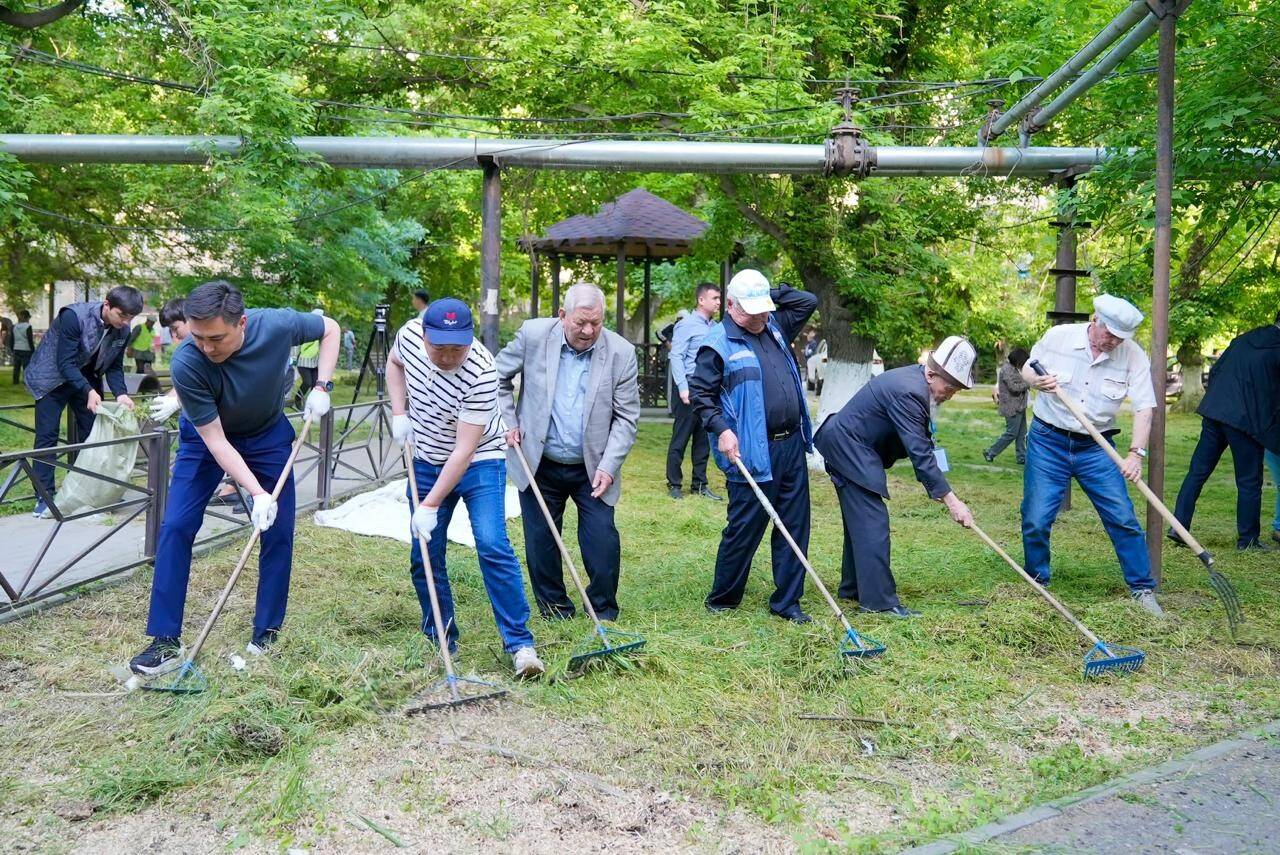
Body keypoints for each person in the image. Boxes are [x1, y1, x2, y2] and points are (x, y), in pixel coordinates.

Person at [129, 281, 339, 675]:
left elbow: (330, 329)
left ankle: (266, 632)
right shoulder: (187, 361)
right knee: (175, 526)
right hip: (205, 439)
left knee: (278, 531)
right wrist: (258, 492)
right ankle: (164, 641)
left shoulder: (276, 325)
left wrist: (322, 386)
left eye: (217, 338)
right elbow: (216, 440)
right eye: (198, 337)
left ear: (242, 322)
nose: (207, 347)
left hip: (268, 435)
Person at [386, 298, 545, 677]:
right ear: (423, 336)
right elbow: (394, 365)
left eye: (457, 348)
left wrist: (429, 505)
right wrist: (398, 412)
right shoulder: (408, 335)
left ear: (470, 339)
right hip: (424, 459)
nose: (447, 357)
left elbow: (463, 450)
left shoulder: (482, 369)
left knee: (491, 543)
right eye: (439, 348)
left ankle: (521, 645)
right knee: (424, 553)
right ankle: (440, 637)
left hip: (478, 461)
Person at [495, 284, 640, 622]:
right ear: (562, 316)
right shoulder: (533, 335)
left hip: (593, 466)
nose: (589, 331)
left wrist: (609, 465)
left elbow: (626, 418)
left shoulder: (621, 353)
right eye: (580, 323)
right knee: (541, 538)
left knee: (602, 539)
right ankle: (554, 607)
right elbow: (496, 378)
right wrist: (507, 421)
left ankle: (602, 609)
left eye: (596, 323)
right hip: (539, 461)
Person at [1021, 294, 1163, 617]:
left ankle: (1142, 589)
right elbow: (1028, 367)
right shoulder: (1059, 337)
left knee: (1122, 516)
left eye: (1120, 337)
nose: (1112, 342)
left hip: (1097, 447)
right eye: (1109, 333)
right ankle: (1037, 580)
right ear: (1095, 320)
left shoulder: (1132, 356)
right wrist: (1037, 381)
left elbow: (1145, 408)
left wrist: (1135, 454)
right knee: (1036, 516)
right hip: (1048, 440)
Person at [815, 337, 977, 617]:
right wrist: (952, 501)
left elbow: (924, 443)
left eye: (956, 390)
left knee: (861, 524)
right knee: (873, 525)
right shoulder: (909, 392)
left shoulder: (917, 384)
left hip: (852, 448)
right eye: (949, 387)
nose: (949, 394)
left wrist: (940, 486)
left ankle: (853, 588)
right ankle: (880, 603)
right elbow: (920, 454)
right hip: (849, 449)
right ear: (930, 373)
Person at [689, 269, 817, 623]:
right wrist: (722, 429)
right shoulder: (717, 344)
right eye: (752, 310)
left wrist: (763, 292)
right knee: (745, 527)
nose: (761, 316)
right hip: (750, 450)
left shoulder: (774, 326)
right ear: (730, 305)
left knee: (794, 525)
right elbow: (702, 395)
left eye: (764, 309)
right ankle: (724, 599)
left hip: (791, 444)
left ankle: (787, 602)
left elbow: (809, 301)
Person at [24, 286, 142, 518]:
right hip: (51, 378)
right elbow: (64, 362)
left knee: (94, 433)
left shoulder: (123, 329)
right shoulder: (73, 316)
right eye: (122, 315)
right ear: (107, 305)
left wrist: (121, 394)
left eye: (131, 317)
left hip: (86, 377)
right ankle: (44, 497)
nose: (126, 322)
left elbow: (115, 366)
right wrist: (88, 390)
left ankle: (90, 491)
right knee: (47, 437)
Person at [1171, 315, 1280, 551]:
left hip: (1216, 411)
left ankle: (1178, 527)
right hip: (1246, 421)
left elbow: (1217, 370)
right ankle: (1248, 540)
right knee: (1250, 481)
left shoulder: (1244, 339)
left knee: (1197, 472)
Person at [149, 297, 246, 515]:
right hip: (196, 426)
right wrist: (174, 397)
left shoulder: (217, 347)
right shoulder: (190, 352)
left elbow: (210, 385)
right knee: (182, 507)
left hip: (219, 424)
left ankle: (244, 491)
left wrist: (177, 400)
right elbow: (188, 381)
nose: (175, 338)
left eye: (176, 329)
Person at [666, 283, 722, 501]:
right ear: (701, 300)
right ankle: (674, 484)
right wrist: (683, 387)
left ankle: (699, 484)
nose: (718, 302)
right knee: (680, 438)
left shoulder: (715, 327)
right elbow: (676, 356)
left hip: (709, 391)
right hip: (690, 388)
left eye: (719, 298)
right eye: (714, 298)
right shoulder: (686, 324)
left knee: (704, 439)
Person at [984, 347, 1031, 464]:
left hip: (1019, 406)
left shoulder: (1013, 368)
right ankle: (990, 452)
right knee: (1011, 433)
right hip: (1012, 407)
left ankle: (1021, 457)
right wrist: (1028, 383)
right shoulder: (1007, 370)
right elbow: (1014, 388)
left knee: (1022, 433)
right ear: (1018, 360)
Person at [293, 309, 324, 409]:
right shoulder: (306, 329)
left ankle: (311, 406)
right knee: (307, 383)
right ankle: (297, 400)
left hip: (315, 362)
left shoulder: (323, 330)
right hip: (304, 362)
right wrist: (293, 358)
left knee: (315, 385)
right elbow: (297, 346)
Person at [11, 310, 34, 384]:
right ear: (27, 317)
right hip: (26, 349)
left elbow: (12, 339)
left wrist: (12, 348)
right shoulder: (28, 326)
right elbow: (30, 339)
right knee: (26, 367)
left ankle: (15, 381)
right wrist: (32, 350)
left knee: (16, 367)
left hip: (16, 348)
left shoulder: (14, 326)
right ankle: (25, 381)